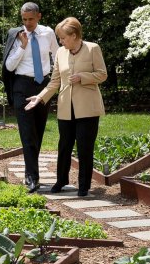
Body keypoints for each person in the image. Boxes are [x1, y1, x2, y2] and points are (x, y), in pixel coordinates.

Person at [25, 17, 107, 197]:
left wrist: (83, 77)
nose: (60, 41)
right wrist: (39, 97)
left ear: (74, 35)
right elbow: (54, 82)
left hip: (87, 108)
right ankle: (61, 180)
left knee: (85, 147)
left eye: (63, 38)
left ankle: (84, 185)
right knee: (64, 146)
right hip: (65, 108)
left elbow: (102, 75)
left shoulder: (93, 48)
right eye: (59, 38)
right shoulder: (60, 53)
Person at [2, 2, 59, 193]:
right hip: (22, 86)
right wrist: (22, 46)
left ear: (39, 16)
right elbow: (9, 66)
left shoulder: (48, 33)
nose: (27, 23)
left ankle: (32, 172)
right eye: (24, 19)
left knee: (38, 132)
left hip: (42, 86)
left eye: (31, 19)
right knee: (27, 133)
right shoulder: (16, 36)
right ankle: (32, 177)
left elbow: (57, 55)